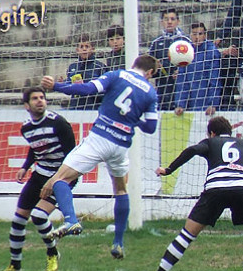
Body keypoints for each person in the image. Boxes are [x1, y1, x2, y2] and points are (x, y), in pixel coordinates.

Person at [38, 54, 160, 259]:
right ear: (149, 72)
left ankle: (70, 220)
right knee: (121, 189)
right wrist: (131, 120)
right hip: (121, 146)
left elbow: (87, 89)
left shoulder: (117, 75)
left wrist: (57, 86)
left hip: (100, 138)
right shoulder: (151, 93)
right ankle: (118, 243)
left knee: (60, 179)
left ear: (133, 65)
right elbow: (150, 127)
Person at [138, 116, 243, 271]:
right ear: (230, 132)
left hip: (215, 190)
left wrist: (168, 170)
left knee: (187, 234)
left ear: (212, 133)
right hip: (242, 189)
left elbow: (192, 150)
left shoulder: (210, 142)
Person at [0, 87, 76, 271]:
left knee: (39, 216)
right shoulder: (26, 128)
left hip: (62, 177)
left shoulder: (58, 123)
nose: (40, 101)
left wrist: (57, 180)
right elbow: (36, 148)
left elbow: (74, 157)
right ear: (26, 105)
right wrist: (25, 166)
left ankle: (52, 253)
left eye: (42, 97)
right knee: (18, 220)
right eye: (35, 98)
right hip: (40, 174)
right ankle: (15, 265)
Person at [174, 22, 223, 116]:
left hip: (206, 102)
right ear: (190, 35)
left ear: (205, 35)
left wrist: (212, 104)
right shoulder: (186, 52)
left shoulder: (212, 52)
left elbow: (214, 80)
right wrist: (180, 104)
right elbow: (182, 81)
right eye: (194, 34)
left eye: (200, 34)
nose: (197, 37)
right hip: (191, 102)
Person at [149, 8, 191, 110]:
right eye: (166, 19)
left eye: (172, 19)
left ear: (178, 21)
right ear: (162, 22)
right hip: (163, 88)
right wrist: (157, 69)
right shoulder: (156, 43)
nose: (169, 22)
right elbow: (150, 68)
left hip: (182, 88)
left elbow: (194, 64)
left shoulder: (186, 41)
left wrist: (182, 72)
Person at [66, 34, 107, 110]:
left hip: (93, 108)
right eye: (81, 47)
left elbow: (104, 91)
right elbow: (67, 89)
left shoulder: (100, 66)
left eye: (87, 46)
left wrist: (87, 87)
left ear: (92, 49)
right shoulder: (72, 67)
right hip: (75, 108)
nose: (84, 49)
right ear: (77, 50)